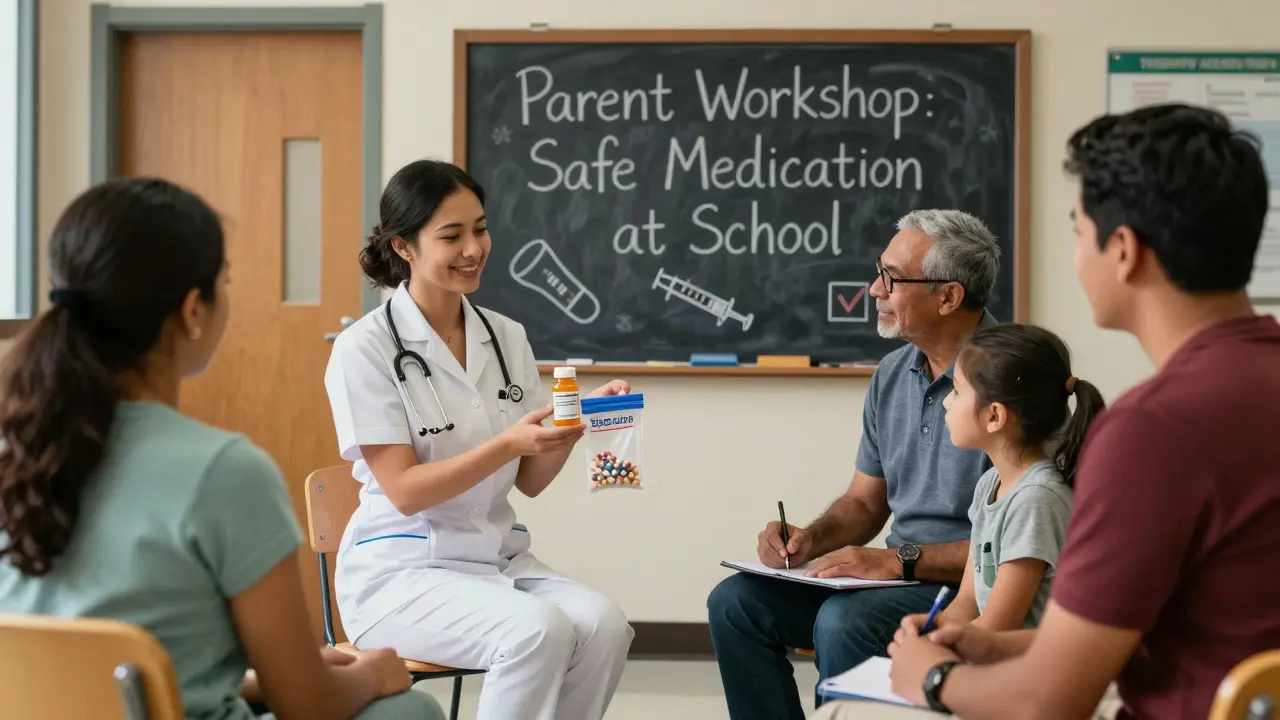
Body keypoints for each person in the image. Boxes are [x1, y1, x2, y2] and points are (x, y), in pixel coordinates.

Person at [880, 103, 1280, 720]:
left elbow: (1052, 700)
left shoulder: (1153, 431)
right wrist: (995, 642)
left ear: (1124, 250)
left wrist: (930, 679)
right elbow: (1190, 627)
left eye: (1078, 232)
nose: (1075, 258)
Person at [0, 178, 444, 720]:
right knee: (408, 710)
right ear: (193, 310)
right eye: (224, 282)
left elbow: (112, 667)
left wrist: (257, 680)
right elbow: (309, 706)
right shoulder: (224, 472)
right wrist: (375, 673)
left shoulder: (17, 447)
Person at [323, 159, 634, 720]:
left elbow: (530, 483)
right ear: (404, 247)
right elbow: (406, 492)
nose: (474, 247)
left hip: (495, 561)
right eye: (452, 235)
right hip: (402, 571)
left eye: (481, 229)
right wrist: (509, 444)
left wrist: (569, 426)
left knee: (606, 626)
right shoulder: (363, 348)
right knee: (536, 631)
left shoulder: (505, 336)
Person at [706, 208, 1002, 719]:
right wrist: (808, 540)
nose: (874, 289)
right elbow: (865, 501)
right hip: (899, 576)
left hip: (974, 589)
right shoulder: (892, 373)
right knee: (736, 603)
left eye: (892, 277)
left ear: (949, 296)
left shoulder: (1013, 378)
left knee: (844, 621)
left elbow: (1014, 541)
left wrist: (899, 560)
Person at [937, 323, 1104, 632]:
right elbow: (967, 602)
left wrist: (936, 655)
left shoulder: (1035, 500)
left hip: (1023, 669)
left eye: (957, 391)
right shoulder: (990, 484)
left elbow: (998, 628)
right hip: (990, 654)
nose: (947, 401)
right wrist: (930, 633)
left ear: (995, 416)